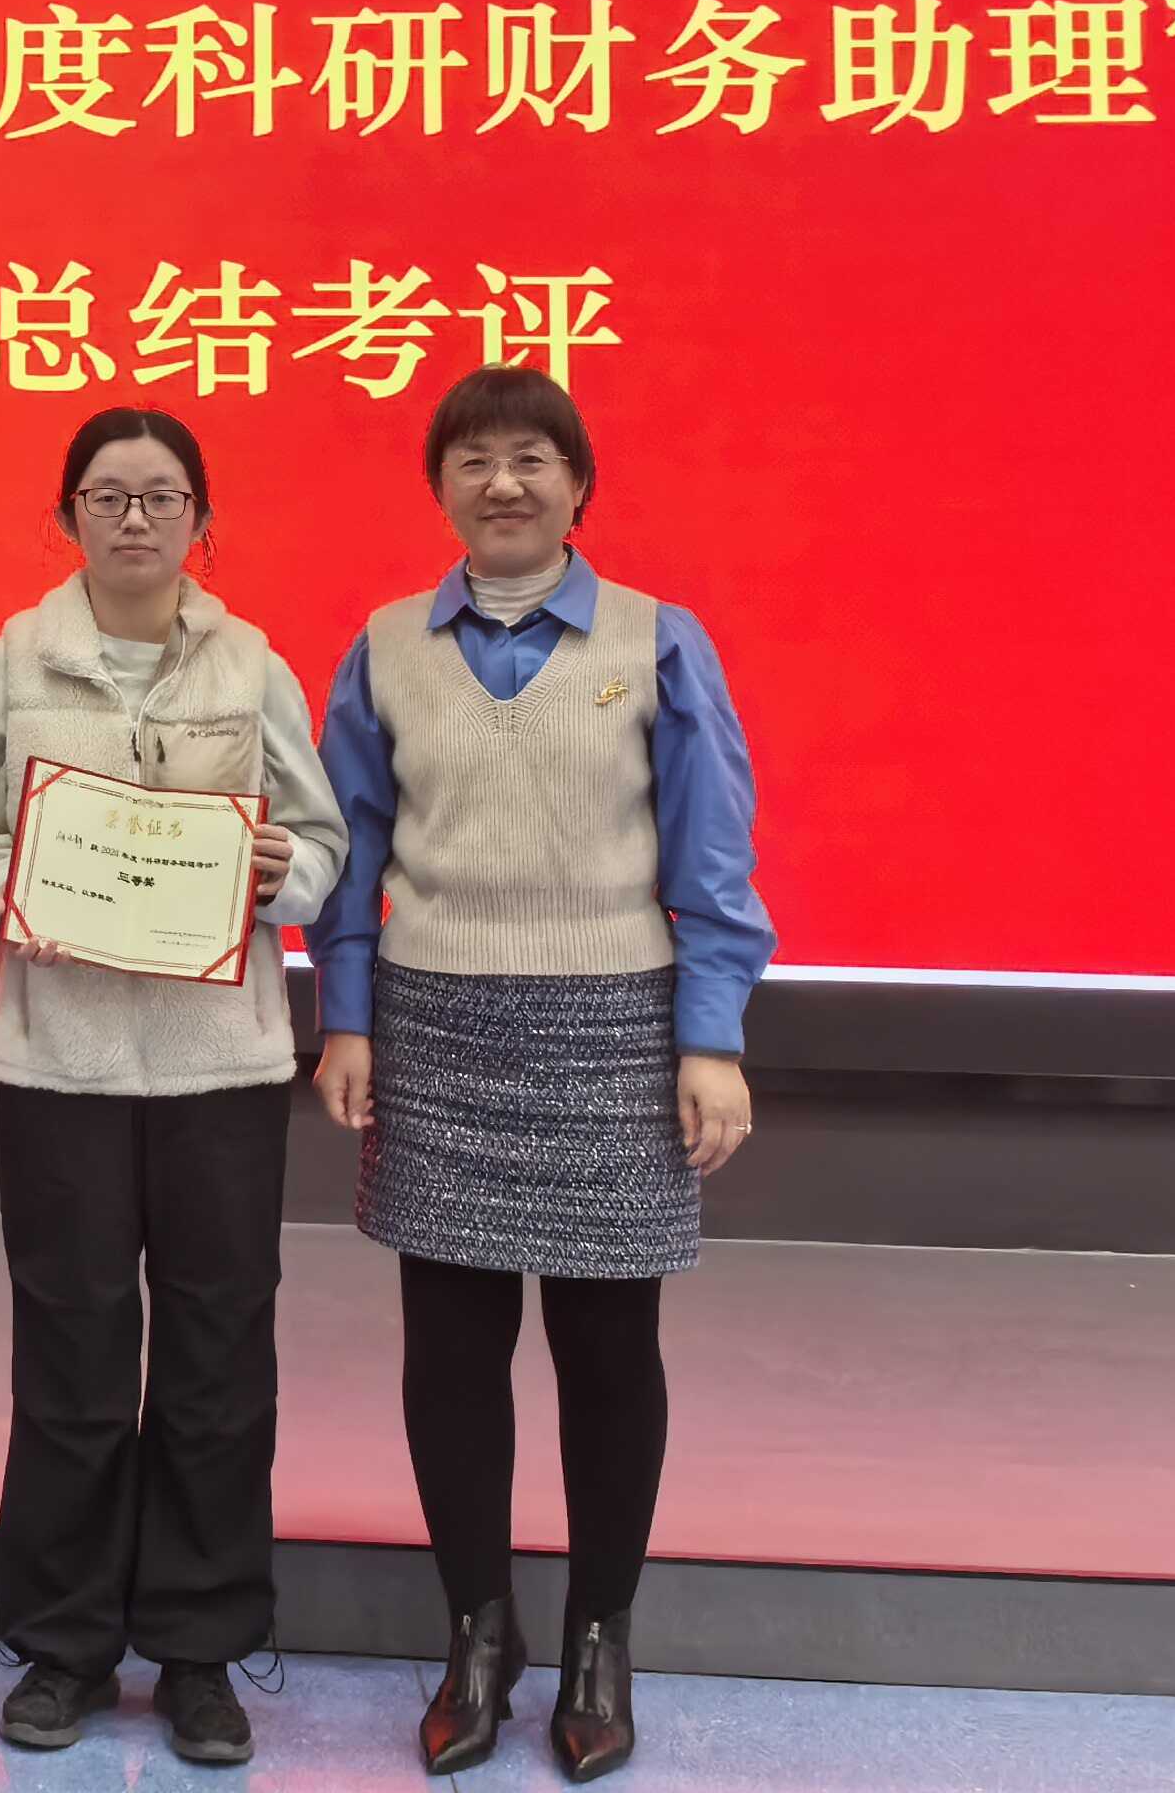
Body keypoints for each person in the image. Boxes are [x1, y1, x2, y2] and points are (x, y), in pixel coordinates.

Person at [308, 368, 773, 1785]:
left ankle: (598, 1643)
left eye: (530, 460)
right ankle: (477, 1637)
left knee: (608, 1357)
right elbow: (348, 855)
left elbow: (713, 856)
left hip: (614, 1027)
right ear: (438, 488)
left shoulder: (658, 640)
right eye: (472, 462)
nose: (501, 484)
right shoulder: (385, 647)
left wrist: (711, 1038)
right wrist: (346, 1018)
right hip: (435, 1023)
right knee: (450, 1357)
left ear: (579, 487)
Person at [0, 407, 349, 1768]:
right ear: (67, 516)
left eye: (161, 496)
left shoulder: (253, 663)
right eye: (107, 496)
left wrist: (285, 874)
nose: (133, 518)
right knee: (71, 1354)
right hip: (59, 1060)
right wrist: (20, 892)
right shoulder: (11, 659)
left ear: (200, 521)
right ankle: (60, 1646)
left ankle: (201, 1648)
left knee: (220, 1359)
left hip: (218, 1063)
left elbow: (323, 843)